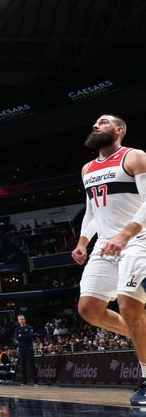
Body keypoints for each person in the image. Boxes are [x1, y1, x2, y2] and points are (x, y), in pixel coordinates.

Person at [75, 115, 146, 406]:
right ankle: (141, 333)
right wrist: (82, 242)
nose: (95, 125)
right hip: (105, 244)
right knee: (89, 309)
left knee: (129, 305)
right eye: (93, 122)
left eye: (102, 122)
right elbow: (93, 210)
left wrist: (126, 234)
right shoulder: (87, 168)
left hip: (137, 239)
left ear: (119, 131)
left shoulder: (134, 157)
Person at [13, 314, 36, 385]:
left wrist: (21, 336)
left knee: (32, 365)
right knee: (23, 365)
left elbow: (30, 336)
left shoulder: (29, 327)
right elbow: (16, 338)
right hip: (21, 349)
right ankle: (24, 381)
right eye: (20, 319)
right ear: (18, 321)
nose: (22, 320)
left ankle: (35, 381)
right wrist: (23, 336)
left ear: (25, 319)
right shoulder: (17, 329)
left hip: (29, 348)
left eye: (23, 319)